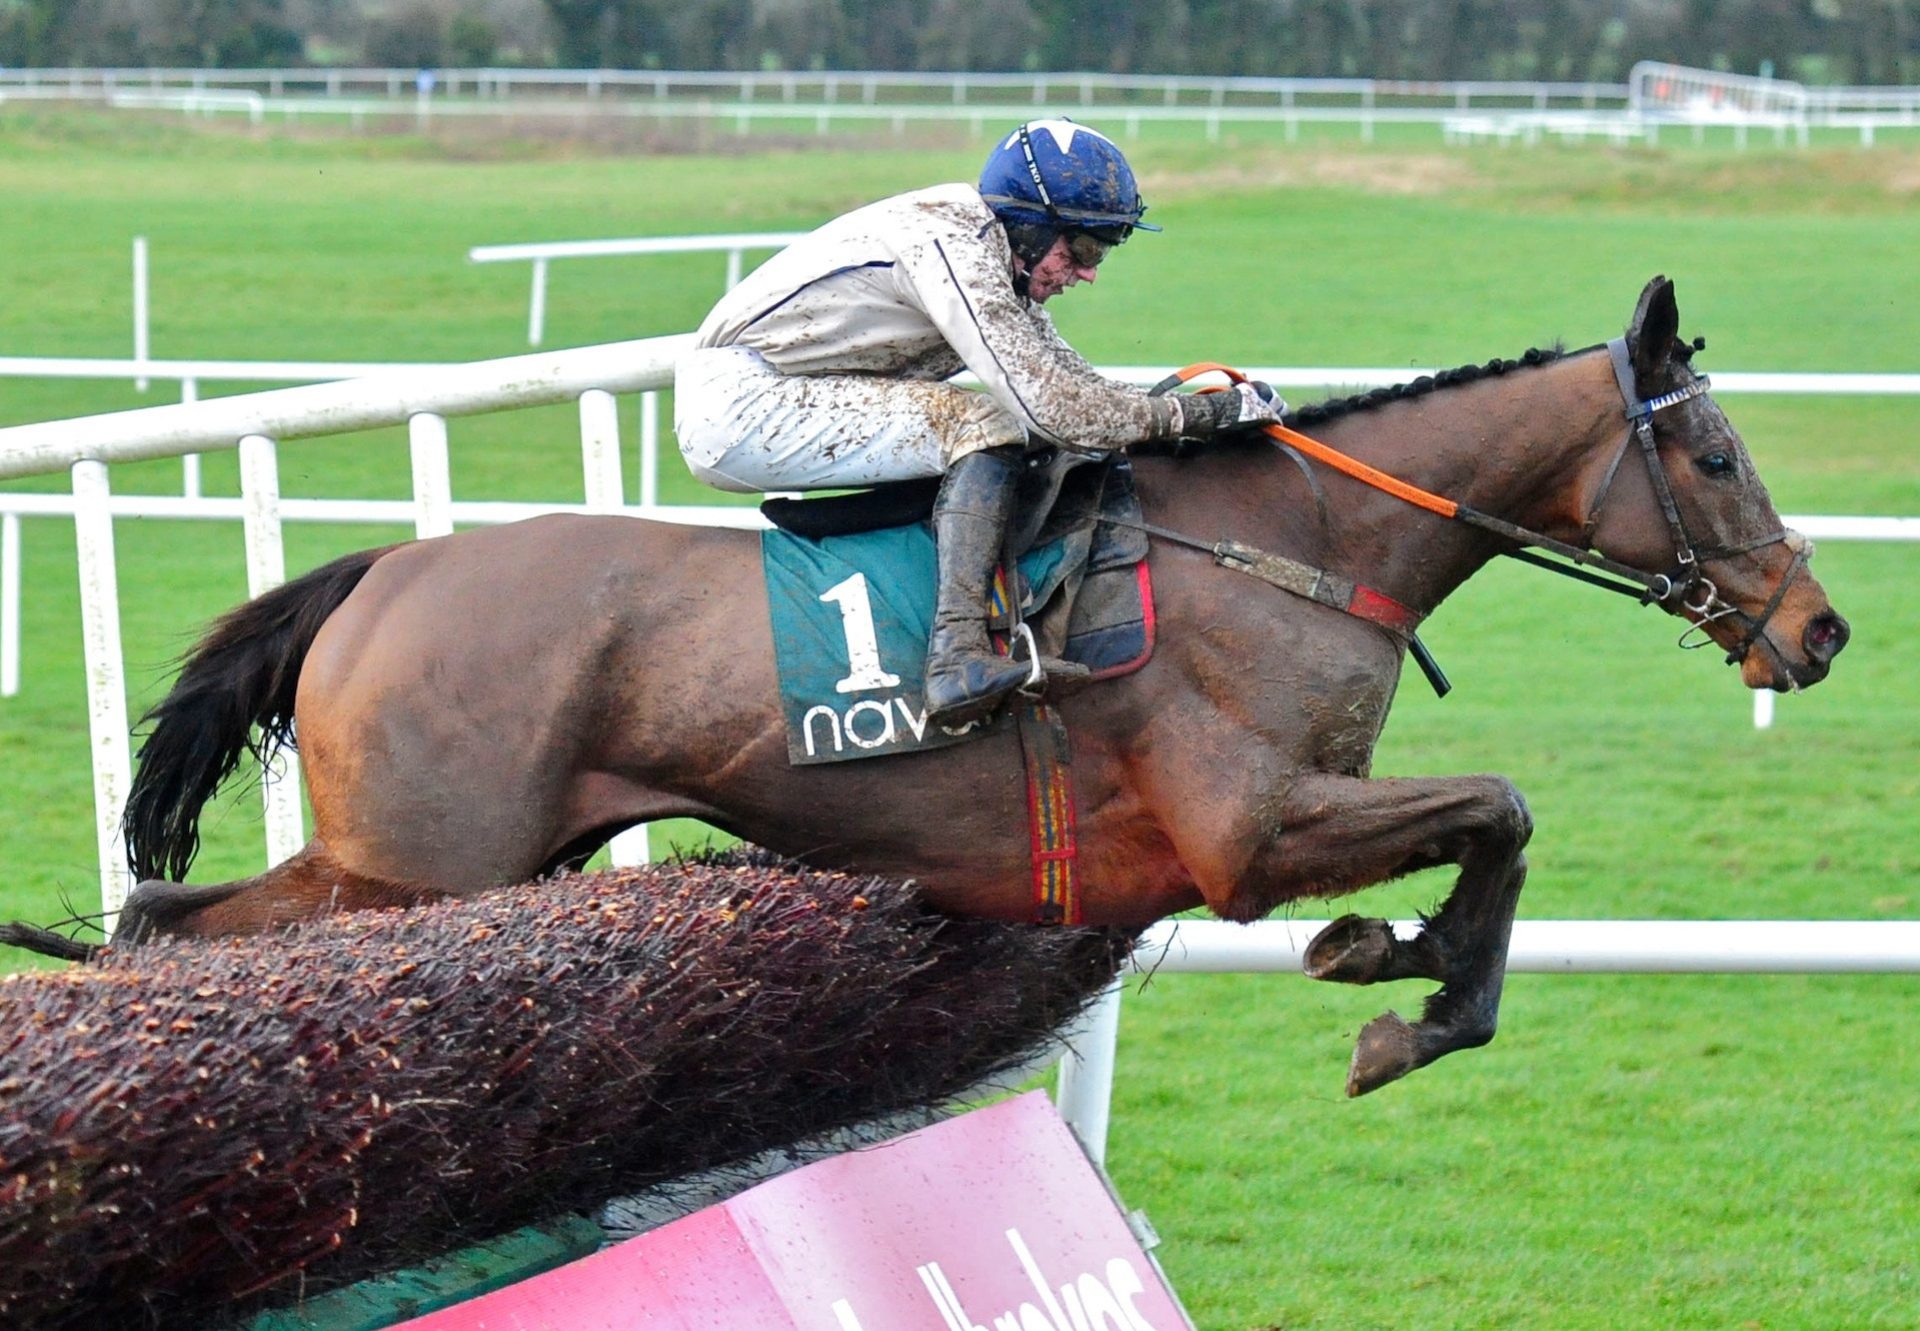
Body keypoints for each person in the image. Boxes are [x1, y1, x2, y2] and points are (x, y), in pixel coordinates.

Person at [675, 118, 1285, 729]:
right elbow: (1055, 409)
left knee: (998, 426)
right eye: (1083, 250)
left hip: (785, 387)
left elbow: (1070, 380)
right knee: (983, 424)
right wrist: (1192, 415)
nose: (1089, 272)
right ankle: (955, 656)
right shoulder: (953, 247)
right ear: (1030, 225)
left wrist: (1187, 414)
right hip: (743, 406)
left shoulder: (996, 252)